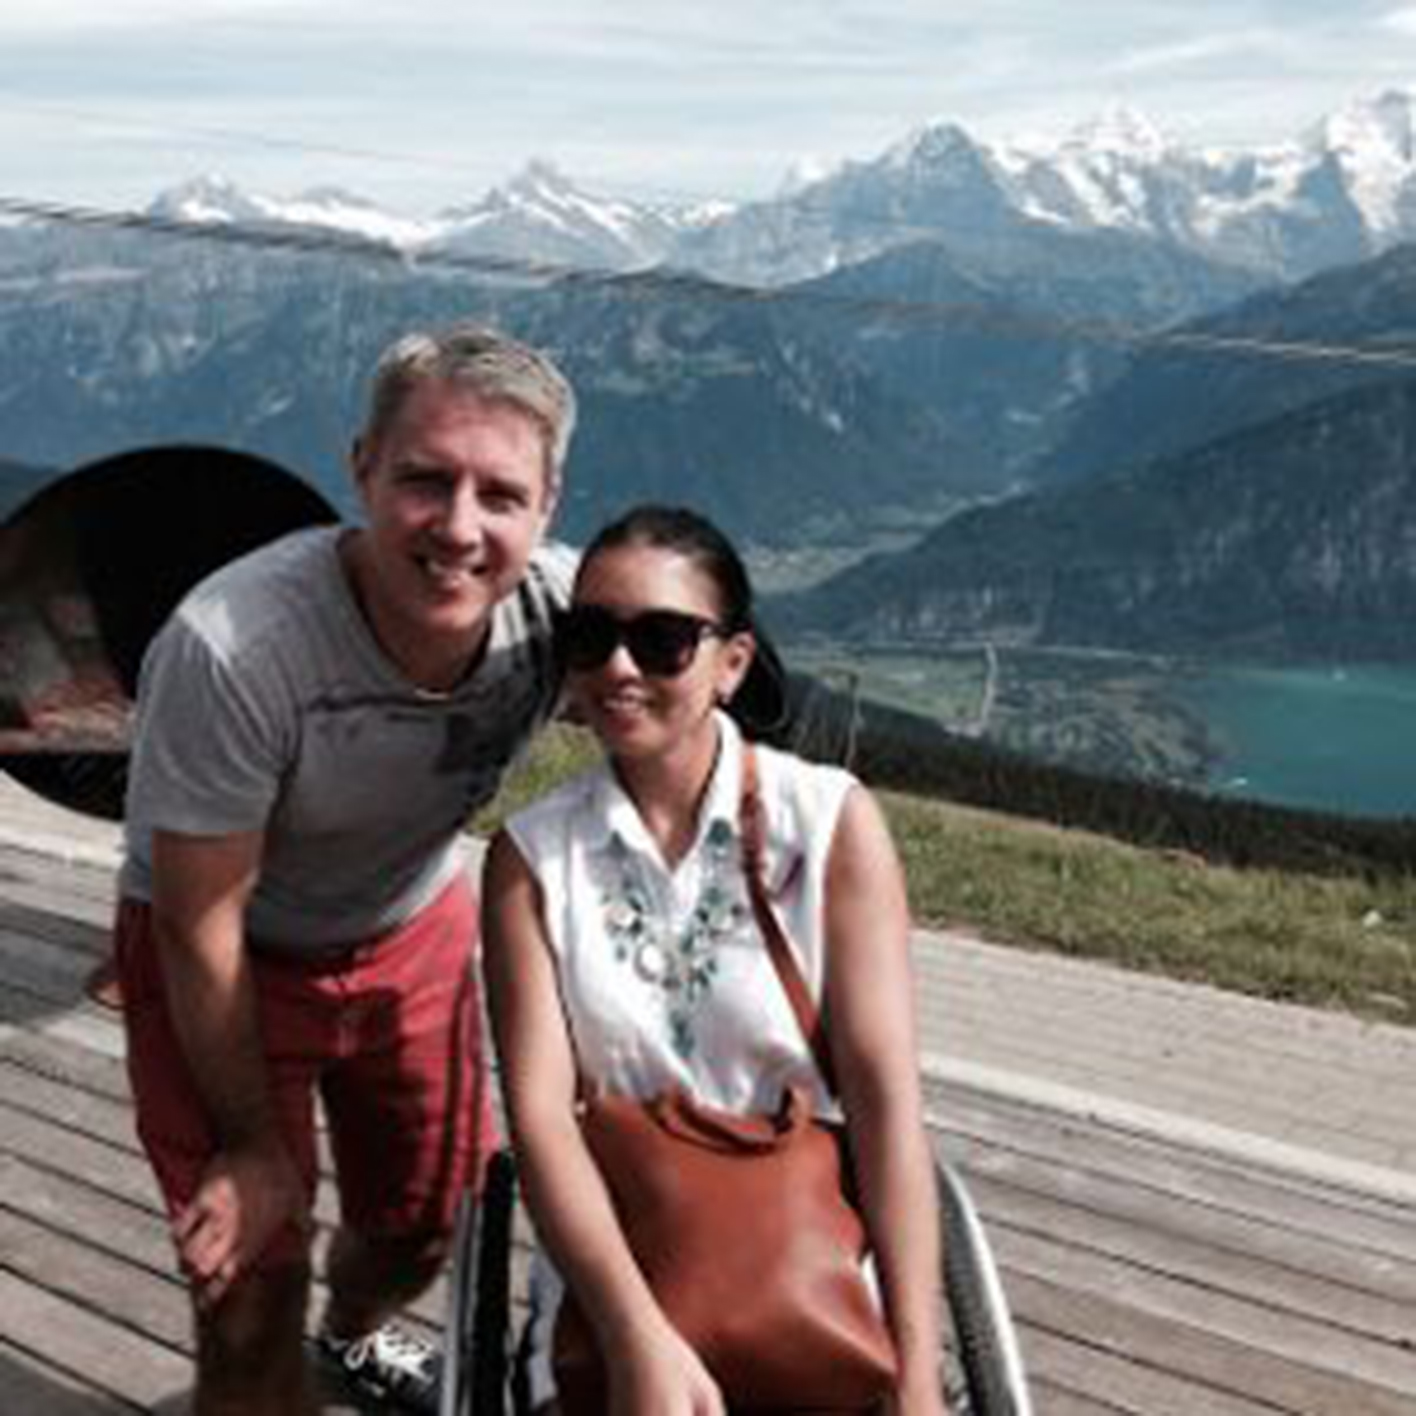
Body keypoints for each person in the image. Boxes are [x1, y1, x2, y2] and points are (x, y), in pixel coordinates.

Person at [112, 322, 577, 1415]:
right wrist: (250, 1147)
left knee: (427, 1224)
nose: (459, 528)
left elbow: (694, 698)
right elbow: (198, 924)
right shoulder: (237, 647)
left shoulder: (561, 614)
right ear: (362, 467)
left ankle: (354, 1337)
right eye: (425, 480)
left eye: (500, 495)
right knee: (246, 1301)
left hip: (411, 928)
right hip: (227, 951)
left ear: (548, 506)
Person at [482, 505, 948, 1415]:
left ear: (731, 663)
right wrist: (637, 1339)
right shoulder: (532, 860)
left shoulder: (828, 825)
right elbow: (541, 1122)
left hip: (813, 1270)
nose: (619, 667)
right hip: (618, 1275)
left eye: (662, 641)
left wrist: (921, 1380)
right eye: (591, 637)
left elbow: (887, 1105)